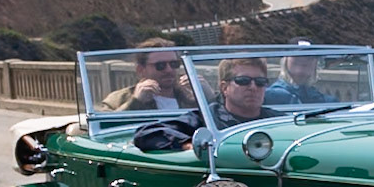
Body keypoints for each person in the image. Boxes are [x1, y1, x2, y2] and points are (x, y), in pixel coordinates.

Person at [133, 56, 277, 151]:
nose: (253, 87)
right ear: (224, 88)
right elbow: (146, 133)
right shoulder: (207, 119)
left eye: (260, 82)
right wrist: (188, 145)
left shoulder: (277, 121)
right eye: (243, 81)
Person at [100, 39, 197, 110]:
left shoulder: (191, 96)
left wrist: (208, 97)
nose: (169, 70)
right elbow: (102, 128)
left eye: (174, 64)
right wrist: (136, 102)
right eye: (160, 65)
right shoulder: (117, 99)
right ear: (141, 70)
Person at [265, 41, 336, 106]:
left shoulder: (324, 100)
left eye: (309, 57)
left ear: (315, 64)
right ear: (286, 60)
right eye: (297, 56)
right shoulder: (273, 95)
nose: (303, 60)